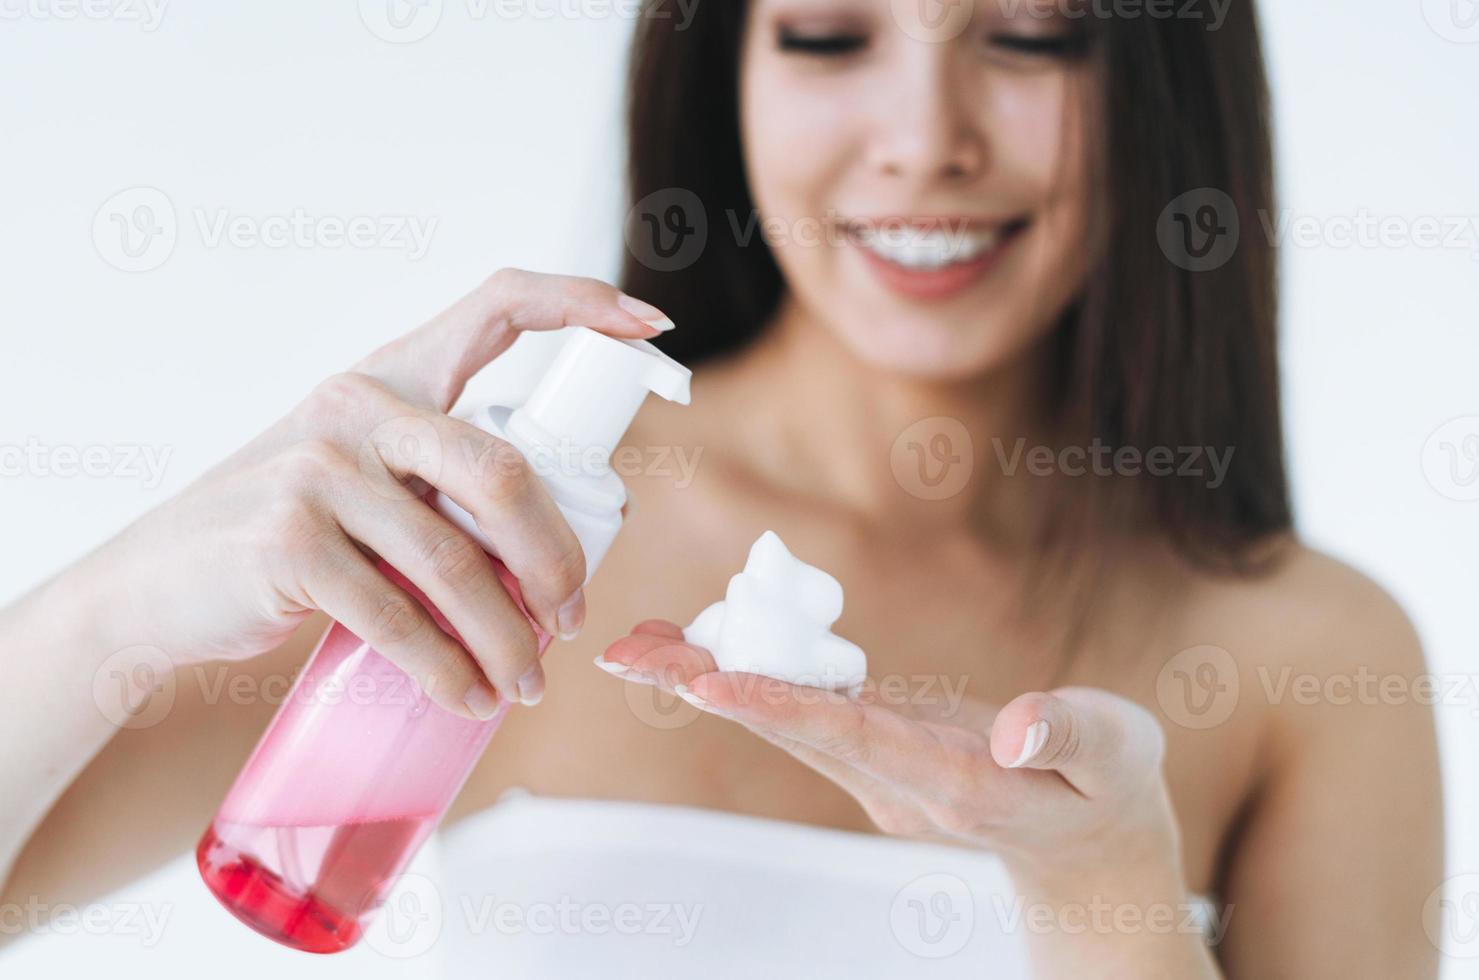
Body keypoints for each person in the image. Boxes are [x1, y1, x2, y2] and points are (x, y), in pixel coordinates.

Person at [0, 1, 1442, 975]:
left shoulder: (1306, 657)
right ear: (721, 71)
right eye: (825, 33)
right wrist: (111, 603)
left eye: (1027, 36)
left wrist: (1106, 886)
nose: (923, 136)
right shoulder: (499, 540)